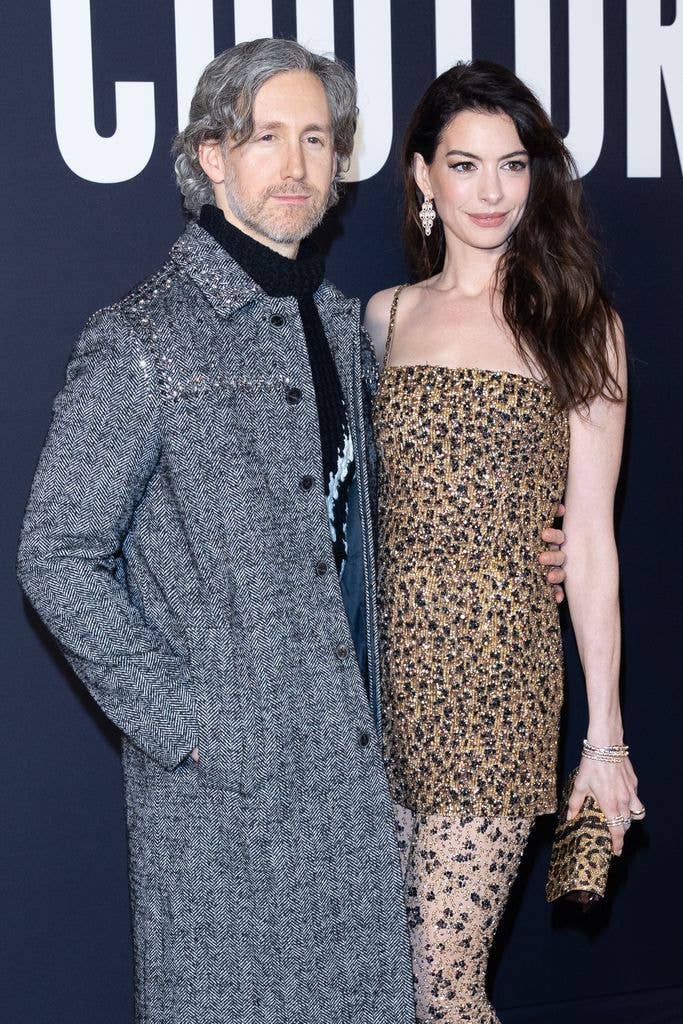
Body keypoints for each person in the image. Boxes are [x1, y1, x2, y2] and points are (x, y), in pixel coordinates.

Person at [17, 37, 419, 1024]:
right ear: (209, 156)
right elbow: (56, 552)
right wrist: (189, 727)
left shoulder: (335, 327)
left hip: (353, 780)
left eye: (316, 139)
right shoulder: (141, 337)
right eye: (264, 137)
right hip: (228, 808)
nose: (293, 166)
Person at [364, 60, 644, 1024]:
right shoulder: (383, 318)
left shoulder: (577, 326)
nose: (491, 191)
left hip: (497, 686)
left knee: (444, 988)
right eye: (465, 164)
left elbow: (593, 543)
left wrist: (602, 739)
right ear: (420, 177)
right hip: (378, 689)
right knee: (390, 987)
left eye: (513, 165)